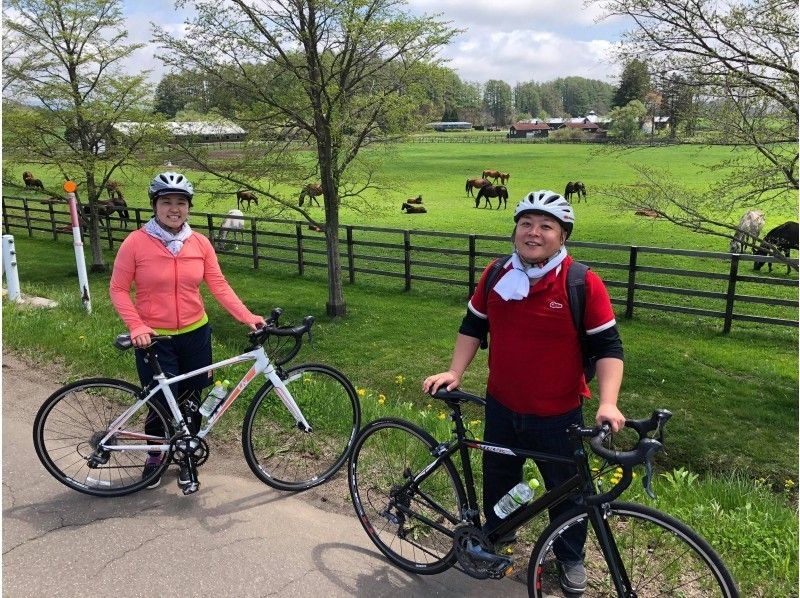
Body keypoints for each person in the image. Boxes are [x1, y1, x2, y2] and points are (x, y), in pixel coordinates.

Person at [422, 190, 625, 594]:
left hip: (559, 413)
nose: (533, 233)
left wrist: (608, 401)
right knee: (499, 478)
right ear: (515, 230)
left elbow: (608, 347)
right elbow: (473, 327)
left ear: (562, 236)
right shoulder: (497, 274)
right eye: (526, 224)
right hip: (502, 406)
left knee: (567, 492)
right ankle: (496, 538)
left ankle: (569, 558)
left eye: (546, 226)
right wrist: (455, 370)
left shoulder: (581, 282)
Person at [110, 172, 266, 489]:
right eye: (166, 202)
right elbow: (118, 290)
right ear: (155, 205)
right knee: (161, 403)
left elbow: (218, 285)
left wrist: (246, 316)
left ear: (188, 207)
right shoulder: (135, 243)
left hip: (196, 334)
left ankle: (186, 456)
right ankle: (155, 457)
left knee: (192, 399)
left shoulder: (200, 243)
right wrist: (137, 325)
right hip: (155, 338)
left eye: (181, 202)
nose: (174, 208)